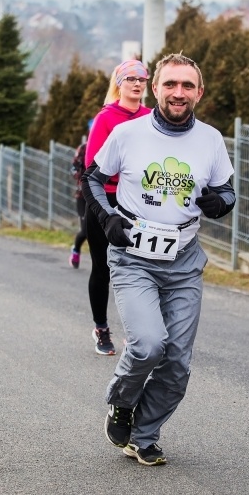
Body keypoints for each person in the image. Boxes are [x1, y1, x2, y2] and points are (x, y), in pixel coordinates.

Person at [81, 53, 235, 466]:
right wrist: (107, 217)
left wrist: (220, 202)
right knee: (149, 344)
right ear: (156, 89)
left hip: (184, 261)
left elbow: (227, 190)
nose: (178, 93)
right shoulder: (127, 133)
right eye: (170, 84)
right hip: (133, 257)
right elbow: (92, 178)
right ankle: (122, 401)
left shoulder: (211, 140)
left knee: (178, 362)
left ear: (199, 92)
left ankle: (144, 435)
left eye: (187, 86)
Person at [84, 60, 151, 355]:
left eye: (142, 79)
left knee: (139, 268)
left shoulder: (151, 117)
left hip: (138, 202)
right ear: (119, 83)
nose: (137, 84)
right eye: (131, 79)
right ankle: (101, 328)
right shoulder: (106, 118)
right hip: (105, 201)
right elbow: (91, 167)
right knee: (103, 267)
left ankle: (136, 332)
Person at [69, 138, 88, 269]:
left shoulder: (110, 144)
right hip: (83, 195)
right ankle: (76, 249)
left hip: (102, 195)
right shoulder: (83, 148)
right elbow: (73, 169)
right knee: (86, 230)